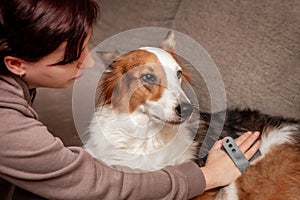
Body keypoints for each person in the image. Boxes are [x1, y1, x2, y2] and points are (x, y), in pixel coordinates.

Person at [0, 0, 261, 199]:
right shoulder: (6, 124)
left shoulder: (16, 87)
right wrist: (207, 176)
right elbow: (92, 184)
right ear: (15, 64)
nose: (89, 62)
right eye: (71, 58)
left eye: (85, 47)